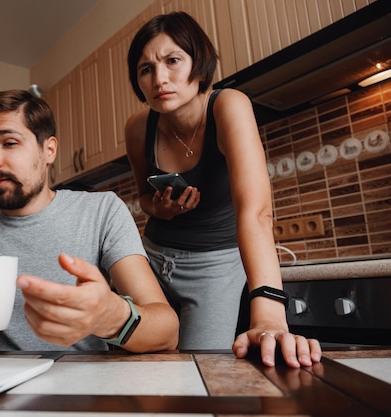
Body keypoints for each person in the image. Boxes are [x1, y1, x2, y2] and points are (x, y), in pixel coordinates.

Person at [124, 12, 322, 367]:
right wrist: (161, 209)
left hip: (215, 267)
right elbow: (142, 198)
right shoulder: (138, 127)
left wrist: (269, 313)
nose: (160, 78)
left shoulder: (229, 105)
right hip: (151, 258)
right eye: (145, 69)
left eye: (172, 61)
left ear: (198, 63)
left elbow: (256, 212)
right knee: (140, 366)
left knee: (200, 368)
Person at [0, 89, 179, 353]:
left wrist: (112, 316)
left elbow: (167, 332)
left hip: (85, 387)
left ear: (49, 150)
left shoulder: (101, 211)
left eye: (9, 143)